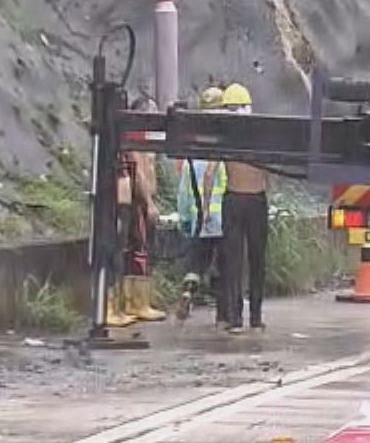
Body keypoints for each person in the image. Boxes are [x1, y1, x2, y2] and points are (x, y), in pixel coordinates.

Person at [216, 83, 270, 333]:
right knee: (246, 260)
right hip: (251, 199)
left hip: (237, 199)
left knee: (238, 261)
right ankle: (250, 316)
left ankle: (242, 317)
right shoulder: (259, 136)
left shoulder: (227, 136)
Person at [111, 95, 166, 325]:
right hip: (136, 200)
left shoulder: (145, 139)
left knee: (141, 249)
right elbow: (138, 173)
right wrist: (148, 202)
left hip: (143, 199)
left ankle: (137, 301)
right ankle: (131, 303)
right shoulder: (133, 141)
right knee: (137, 250)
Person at [177, 86, 227, 322]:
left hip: (199, 219)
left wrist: (186, 218)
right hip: (223, 218)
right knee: (223, 264)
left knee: (197, 263)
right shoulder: (224, 148)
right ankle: (222, 311)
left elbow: (184, 192)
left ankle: (187, 291)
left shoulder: (192, 151)